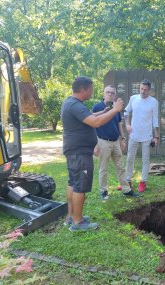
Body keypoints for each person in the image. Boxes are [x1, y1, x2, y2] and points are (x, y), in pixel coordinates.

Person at [61, 76, 125, 231]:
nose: (92, 92)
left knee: (72, 182)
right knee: (80, 186)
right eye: (90, 89)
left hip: (74, 151)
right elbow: (96, 123)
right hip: (80, 153)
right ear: (83, 89)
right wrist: (116, 109)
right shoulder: (75, 105)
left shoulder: (71, 103)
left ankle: (71, 217)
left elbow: (89, 117)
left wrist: (103, 112)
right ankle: (78, 223)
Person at [92, 85, 139, 199]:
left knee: (120, 167)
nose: (110, 95)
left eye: (112, 93)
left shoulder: (116, 108)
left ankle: (126, 189)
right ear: (103, 93)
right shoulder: (97, 107)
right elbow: (92, 125)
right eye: (108, 92)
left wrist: (123, 138)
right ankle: (104, 192)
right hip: (103, 141)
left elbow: (119, 124)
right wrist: (94, 144)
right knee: (103, 168)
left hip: (115, 142)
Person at [124, 79, 159, 192]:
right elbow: (126, 111)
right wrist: (127, 124)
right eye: (141, 89)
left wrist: (156, 136)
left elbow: (155, 120)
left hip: (147, 136)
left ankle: (143, 181)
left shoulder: (153, 102)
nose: (143, 91)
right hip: (134, 134)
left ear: (149, 90)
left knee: (145, 160)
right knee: (130, 158)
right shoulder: (133, 98)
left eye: (145, 89)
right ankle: (127, 181)